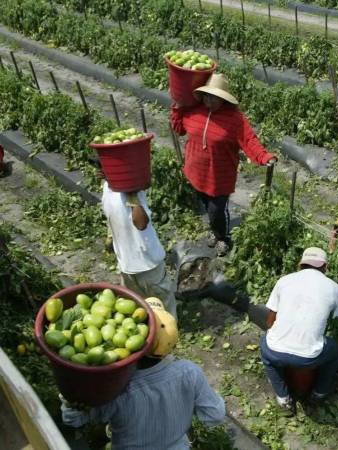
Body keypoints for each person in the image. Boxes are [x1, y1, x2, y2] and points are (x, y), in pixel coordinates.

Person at [61, 298, 226, 450]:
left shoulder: (116, 388)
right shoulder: (189, 372)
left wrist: (71, 398)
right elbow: (214, 415)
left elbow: (75, 420)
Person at [260, 247, 338, 416]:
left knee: (267, 352)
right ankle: (319, 394)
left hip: (275, 350)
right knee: (335, 352)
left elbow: (270, 322)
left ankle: (283, 399)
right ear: (325, 267)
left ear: (301, 265)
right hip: (308, 357)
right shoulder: (335, 288)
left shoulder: (284, 281)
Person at [171, 73, 277, 256]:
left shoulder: (234, 119)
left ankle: (222, 237)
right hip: (196, 172)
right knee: (206, 204)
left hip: (220, 176)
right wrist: (178, 108)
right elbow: (179, 129)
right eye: (206, 95)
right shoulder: (195, 111)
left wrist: (263, 156)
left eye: (213, 97)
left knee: (217, 210)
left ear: (222, 98)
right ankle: (215, 230)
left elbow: (249, 139)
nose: (208, 100)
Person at [101, 180, 177, 320]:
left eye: (101, 166)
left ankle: (170, 334)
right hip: (126, 262)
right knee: (138, 302)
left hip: (147, 262)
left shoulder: (133, 190)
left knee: (162, 303)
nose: (98, 170)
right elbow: (111, 215)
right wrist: (111, 237)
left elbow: (141, 223)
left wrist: (133, 198)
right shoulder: (106, 186)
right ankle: (151, 330)